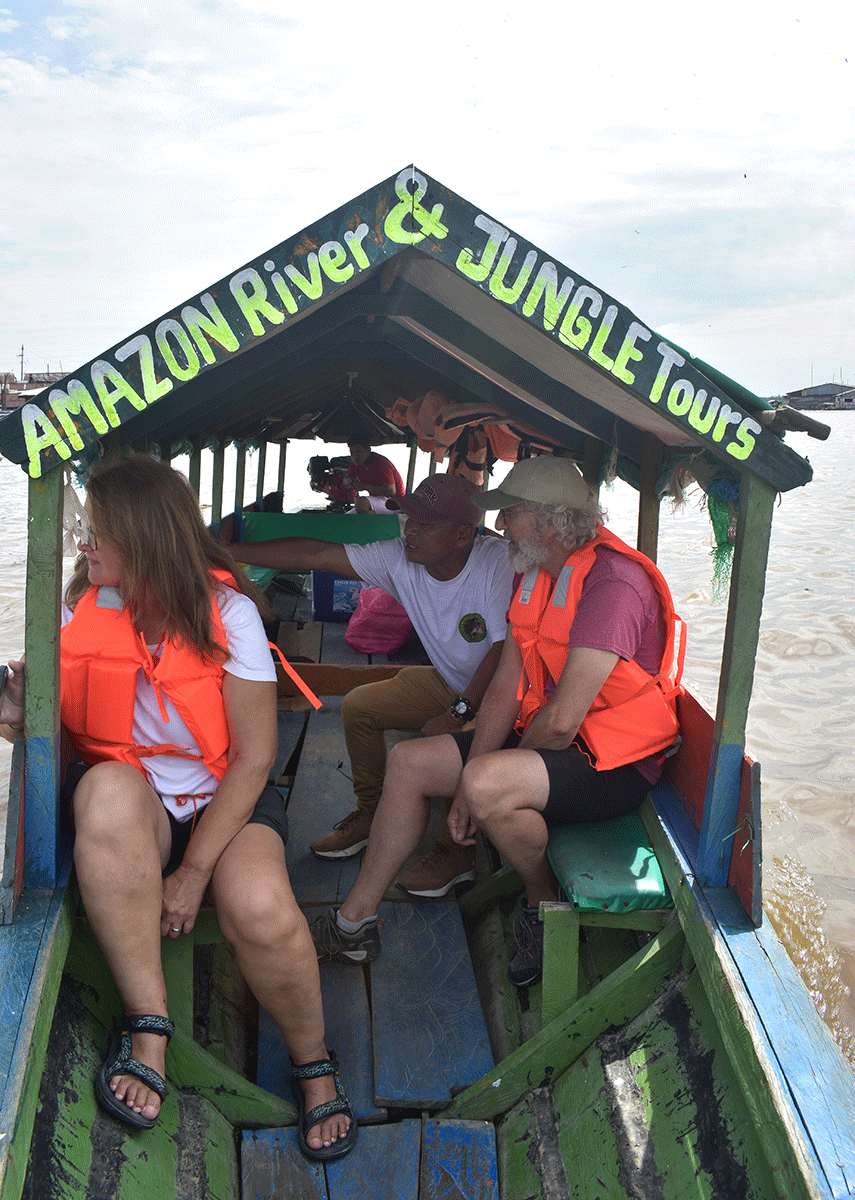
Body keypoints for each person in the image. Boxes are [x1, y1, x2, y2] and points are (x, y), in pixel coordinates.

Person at [0, 455, 355, 1161]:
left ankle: (314, 1066)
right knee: (101, 790)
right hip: (137, 803)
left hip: (226, 797)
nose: (83, 546)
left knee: (258, 904)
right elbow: (61, 725)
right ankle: (149, 1026)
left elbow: (254, 757)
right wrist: (18, 717)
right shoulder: (81, 605)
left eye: (96, 533)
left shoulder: (228, 615)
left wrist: (194, 873)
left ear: (141, 535)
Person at [307, 457, 682, 987]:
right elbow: (506, 686)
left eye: (510, 513)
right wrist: (477, 761)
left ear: (549, 520)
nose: (499, 525)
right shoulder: (536, 574)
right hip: (550, 741)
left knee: (484, 785)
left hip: (613, 763)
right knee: (410, 762)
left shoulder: (614, 585)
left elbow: (563, 719)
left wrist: (475, 778)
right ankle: (354, 922)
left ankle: (538, 898)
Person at [225, 472, 516, 896]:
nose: (409, 531)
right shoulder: (401, 557)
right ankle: (371, 812)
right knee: (361, 707)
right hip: (453, 683)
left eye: (425, 525)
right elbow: (318, 554)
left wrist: (460, 713)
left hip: (499, 699)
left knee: (444, 750)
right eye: (407, 520)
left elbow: (503, 653)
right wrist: (226, 551)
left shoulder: (496, 563)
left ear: (462, 534)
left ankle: (455, 853)